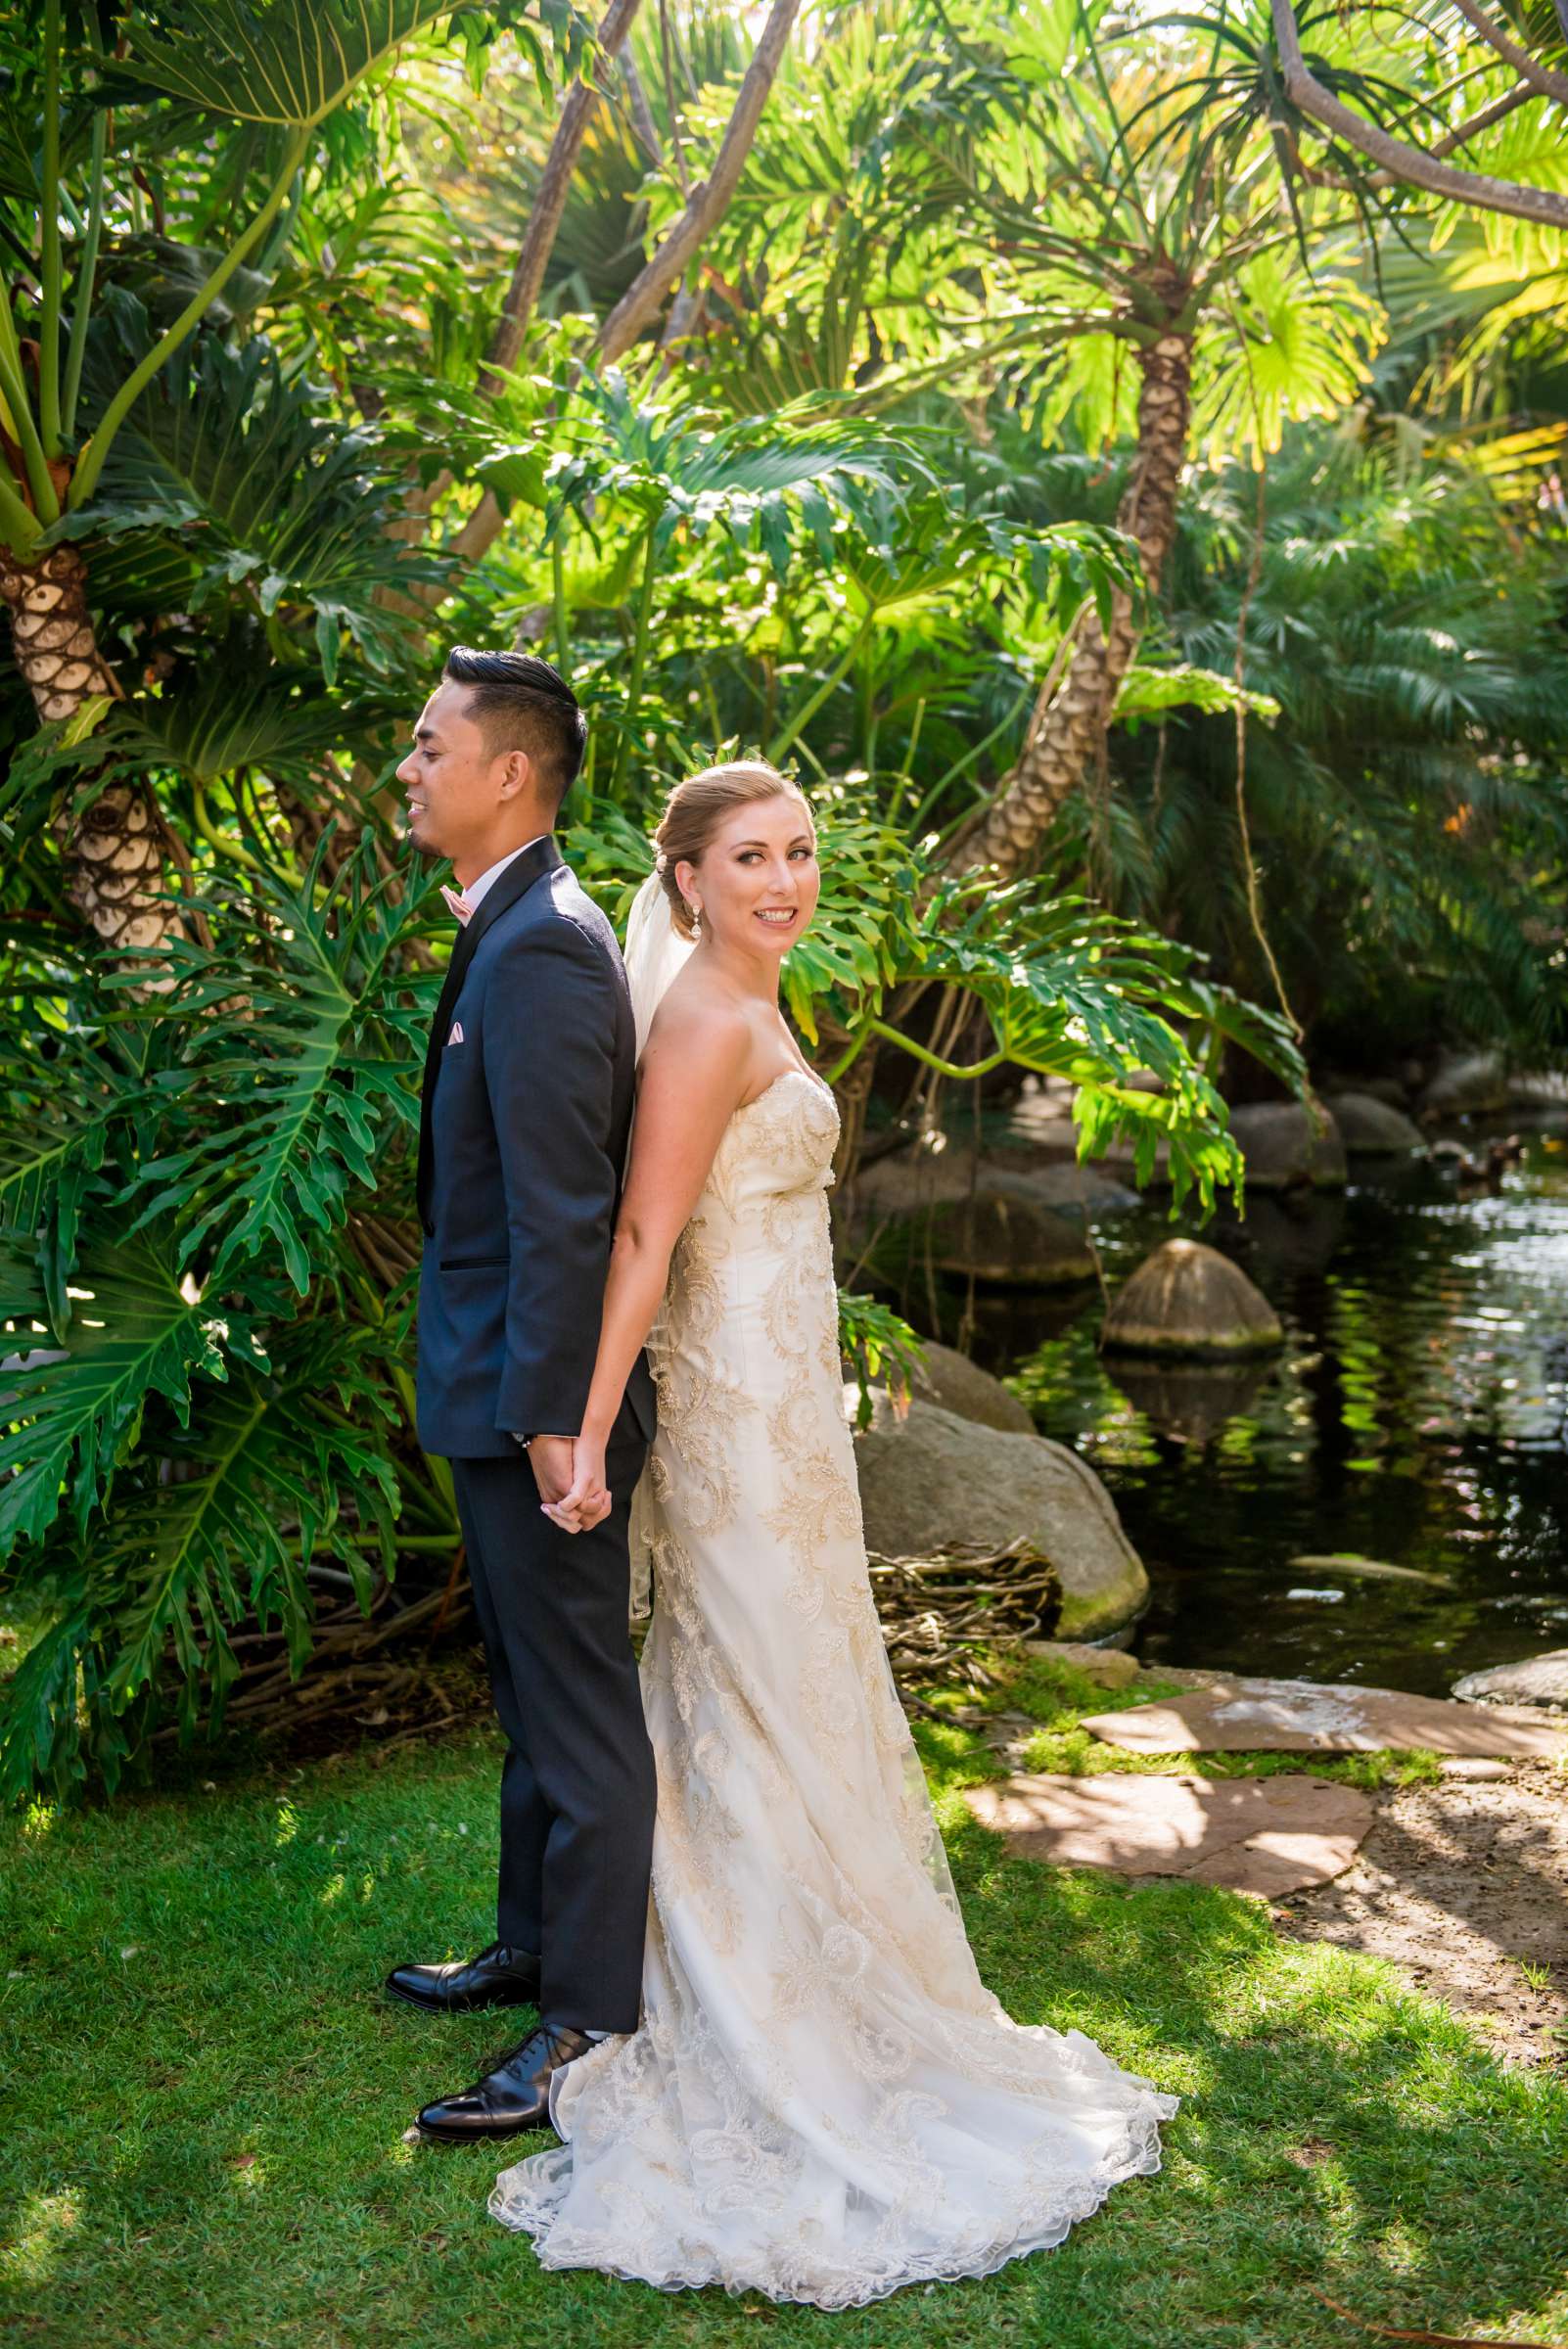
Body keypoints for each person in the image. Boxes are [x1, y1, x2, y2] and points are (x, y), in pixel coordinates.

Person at [486, 758, 1179, 2308]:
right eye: (749, 858)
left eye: (799, 853)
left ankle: (825, 1973)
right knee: (748, 1687)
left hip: (790, 1416)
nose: (783, 881)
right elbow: (646, 1235)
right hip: (729, 1428)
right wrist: (585, 1429)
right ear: (687, 881)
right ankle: (744, 1993)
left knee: (805, 1692)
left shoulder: (760, 995)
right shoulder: (701, 1024)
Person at [387, 646, 657, 2142]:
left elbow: (564, 1209)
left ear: (509, 774)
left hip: (537, 1403)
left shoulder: (545, 944)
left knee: (577, 1715)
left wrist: (563, 1419)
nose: (409, 770)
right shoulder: (514, 923)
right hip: (497, 1384)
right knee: (524, 1693)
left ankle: (585, 2024)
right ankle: (529, 1945)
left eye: (430, 748)